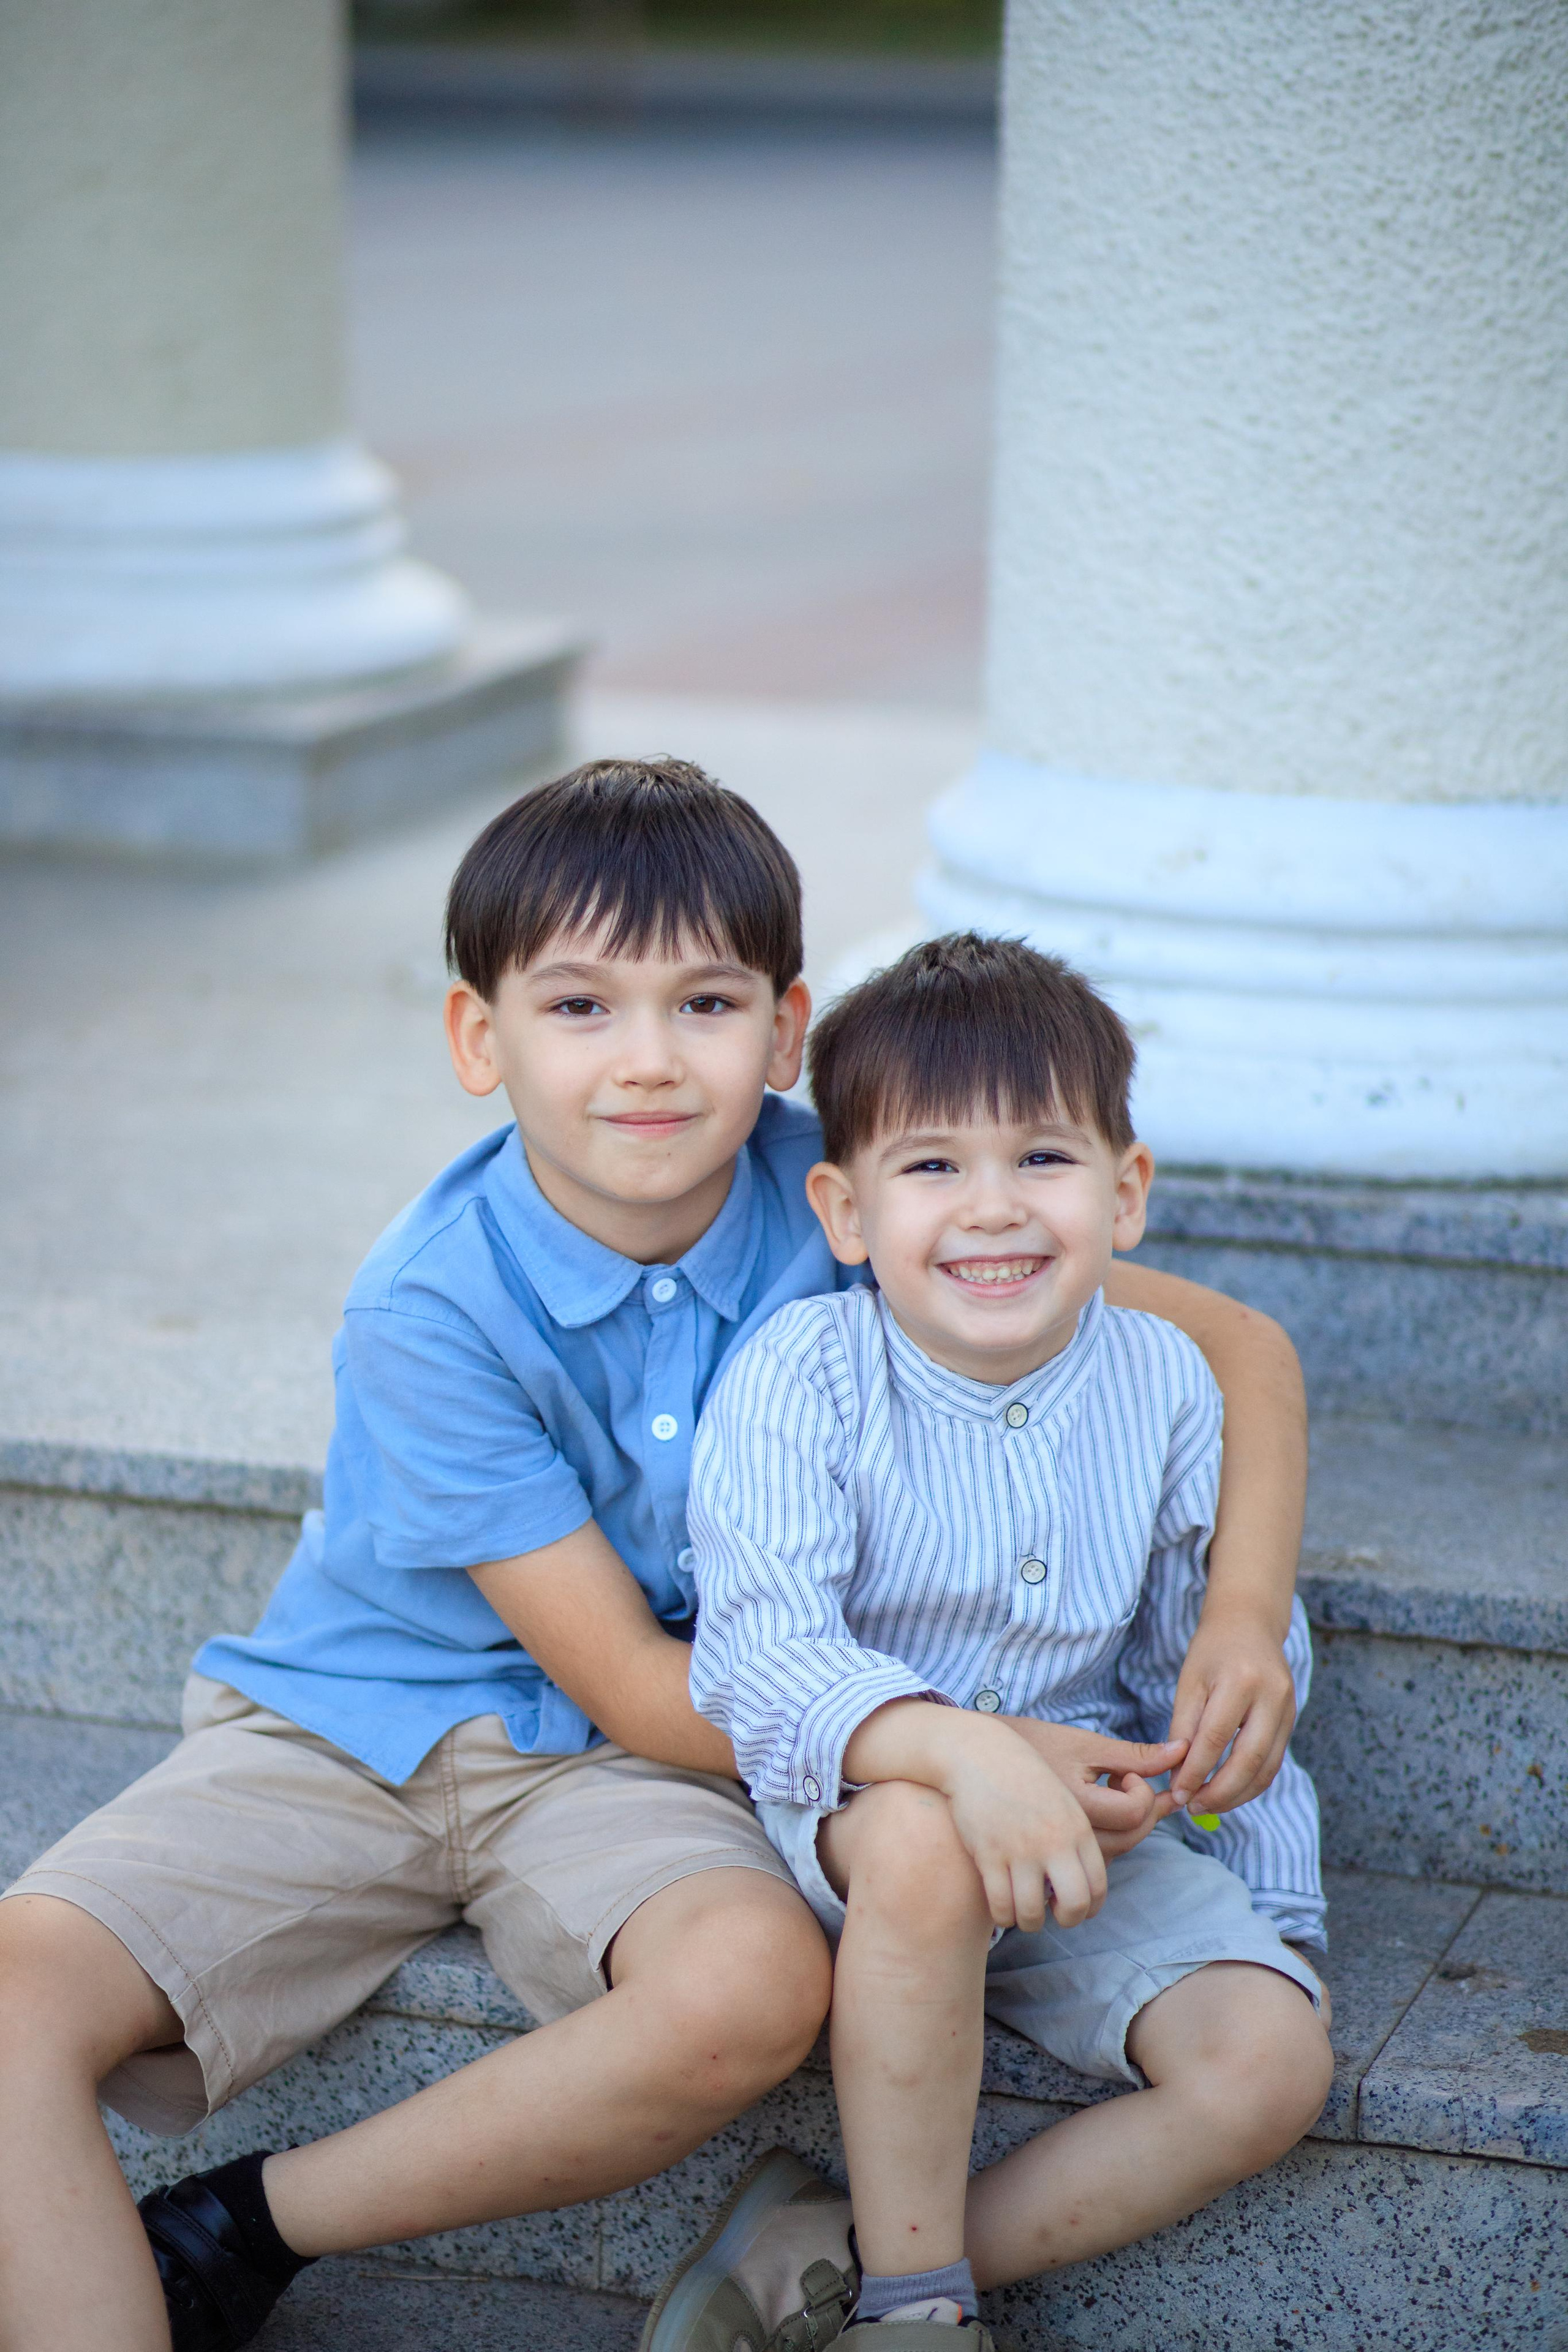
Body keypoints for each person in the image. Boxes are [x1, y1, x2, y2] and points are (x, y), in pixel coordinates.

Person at [0, 766, 1310, 2352]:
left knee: (751, 1989)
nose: (646, 1059)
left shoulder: (866, 1189)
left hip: (659, 1762)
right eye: (578, 1006)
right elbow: (626, 1675)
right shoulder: (428, 1309)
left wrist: (1238, 1616)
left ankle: (243, 2225)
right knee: (19, 1996)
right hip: (365, 1717)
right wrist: (966, 1744)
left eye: (704, 1003)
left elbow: (1239, 1350)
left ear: (783, 1030)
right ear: (479, 1038)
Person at [682, 933, 1332, 2350]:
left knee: (1269, 2066)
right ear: (844, 1211)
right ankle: (912, 2314)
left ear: (1125, 1191)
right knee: (925, 1841)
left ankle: (827, 2252)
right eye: (930, 1166)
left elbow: (1197, 1660)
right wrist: (960, 1755)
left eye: (1041, 1157)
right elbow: (758, 1656)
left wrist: (1253, 1874)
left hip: (1092, 1841)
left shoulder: (1167, 1381)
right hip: (860, 1818)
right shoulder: (802, 1376)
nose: (992, 1207)